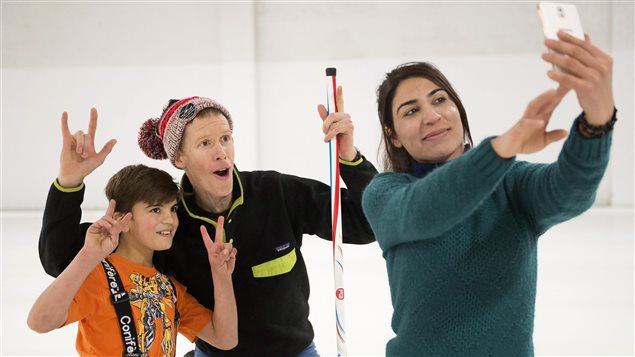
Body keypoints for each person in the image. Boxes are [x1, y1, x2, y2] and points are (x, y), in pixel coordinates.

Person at [39, 89, 377, 356]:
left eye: (225, 138)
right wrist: (69, 183)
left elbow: (370, 224)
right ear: (179, 158)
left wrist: (350, 158)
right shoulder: (168, 224)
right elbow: (61, 259)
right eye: (205, 143)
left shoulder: (277, 192)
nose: (222, 153)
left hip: (295, 351)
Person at [361, 31, 616, 356]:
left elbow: (571, 192)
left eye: (440, 100)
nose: (431, 116)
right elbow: (430, 208)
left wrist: (597, 122)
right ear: (393, 136)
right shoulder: (385, 195)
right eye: (410, 111)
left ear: (458, 108)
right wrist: (502, 147)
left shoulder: (510, 182)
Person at [29, 164, 238, 356]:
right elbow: (39, 322)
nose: (169, 219)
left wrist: (221, 276)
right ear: (122, 220)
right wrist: (88, 255)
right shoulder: (99, 277)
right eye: (156, 209)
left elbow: (225, 339)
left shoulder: (170, 288)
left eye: (172, 209)